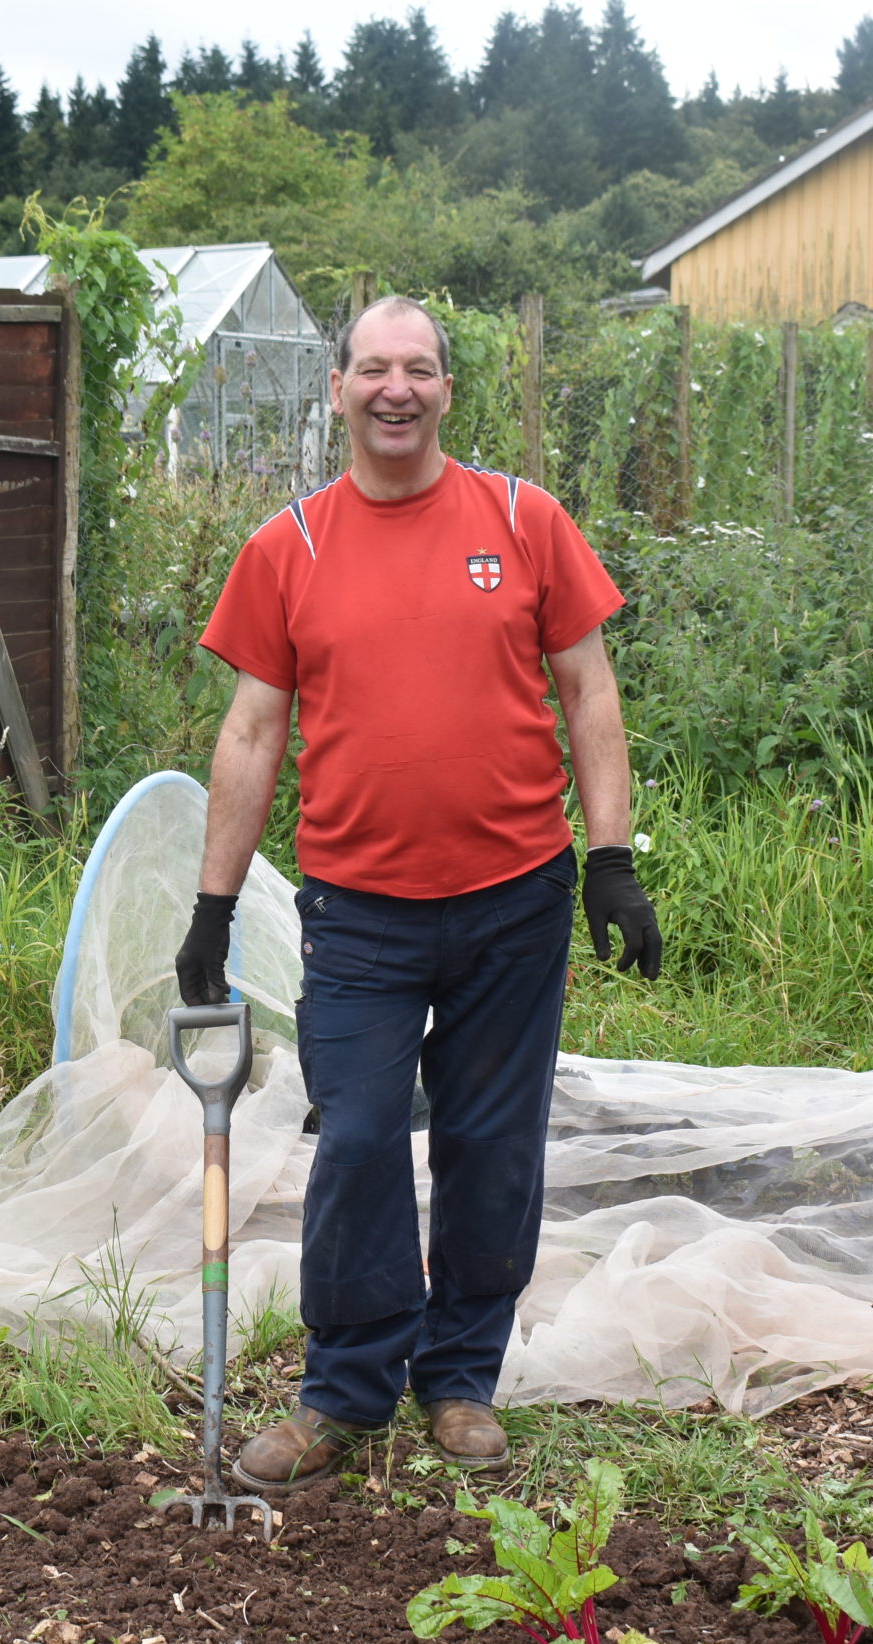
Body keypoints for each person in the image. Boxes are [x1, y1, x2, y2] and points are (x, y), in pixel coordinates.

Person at [175, 296, 659, 1489]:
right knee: (356, 1142)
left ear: (448, 389)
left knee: (492, 1145)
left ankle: (458, 1379)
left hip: (515, 902)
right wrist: (212, 907)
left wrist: (611, 860)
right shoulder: (288, 546)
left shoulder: (522, 521)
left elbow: (588, 692)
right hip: (357, 914)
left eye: (421, 370)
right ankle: (344, 1389)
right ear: (335, 388)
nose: (398, 389)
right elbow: (249, 734)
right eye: (374, 370)